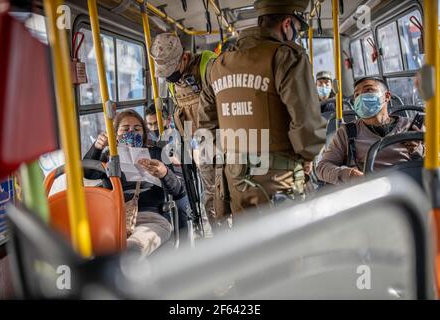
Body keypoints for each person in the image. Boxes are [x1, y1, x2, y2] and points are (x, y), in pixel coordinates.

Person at [198, 0, 327, 217]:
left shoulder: (216, 66)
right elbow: (306, 121)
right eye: (296, 28)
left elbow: (206, 126)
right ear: (287, 24)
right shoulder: (286, 56)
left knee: (251, 246)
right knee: (287, 247)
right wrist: (308, 155)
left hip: (234, 180)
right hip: (278, 178)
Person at [83, 110, 187, 257]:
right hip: (116, 217)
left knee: (136, 245)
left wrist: (164, 173)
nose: (131, 132)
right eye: (125, 129)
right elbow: (87, 173)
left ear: (144, 133)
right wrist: (97, 147)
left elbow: (177, 190)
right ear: (115, 135)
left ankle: (128, 256)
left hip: (151, 216)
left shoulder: (157, 153)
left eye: (137, 129)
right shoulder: (110, 157)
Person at [150, 33, 223, 232]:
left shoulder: (208, 65)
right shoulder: (174, 82)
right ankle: (221, 238)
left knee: (229, 193)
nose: (169, 77)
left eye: (171, 71)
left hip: (226, 141)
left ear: (184, 57)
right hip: (203, 145)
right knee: (210, 196)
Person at [316, 77, 425, 185]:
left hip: (410, 184)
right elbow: (322, 168)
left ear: (387, 96)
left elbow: (433, 161)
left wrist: (416, 149)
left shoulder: (411, 127)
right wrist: (348, 175)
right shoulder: (347, 132)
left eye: (369, 90)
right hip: (372, 190)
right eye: (357, 95)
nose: (361, 97)